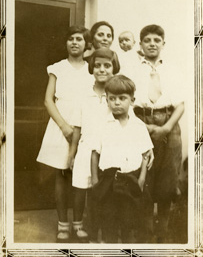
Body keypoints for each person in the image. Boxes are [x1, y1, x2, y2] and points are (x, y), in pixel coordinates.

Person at [36, 25, 93, 243]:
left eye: (79, 39)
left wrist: (81, 129)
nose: (75, 42)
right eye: (71, 39)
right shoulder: (57, 68)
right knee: (61, 175)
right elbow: (48, 100)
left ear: (86, 44)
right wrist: (64, 126)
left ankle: (78, 223)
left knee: (79, 175)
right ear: (66, 43)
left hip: (85, 126)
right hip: (61, 124)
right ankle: (62, 224)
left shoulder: (91, 69)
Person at [133, 24, 185, 243]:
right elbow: (127, 102)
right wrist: (142, 127)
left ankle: (162, 231)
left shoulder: (172, 69)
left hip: (169, 122)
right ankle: (145, 231)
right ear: (141, 44)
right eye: (147, 40)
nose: (152, 44)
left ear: (163, 44)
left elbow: (180, 105)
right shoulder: (133, 69)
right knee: (144, 175)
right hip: (140, 120)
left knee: (168, 176)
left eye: (156, 40)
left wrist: (165, 128)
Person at [91, 75, 154, 243]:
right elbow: (95, 153)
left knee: (129, 220)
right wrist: (96, 180)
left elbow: (145, 155)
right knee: (109, 219)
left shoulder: (139, 126)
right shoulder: (102, 125)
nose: (117, 102)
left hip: (131, 179)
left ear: (132, 100)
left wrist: (141, 179)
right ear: (107, 101)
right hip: (109, 180)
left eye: (122, 98)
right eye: (112, 99)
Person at [70, 48, 120, 243]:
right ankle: (81, 227)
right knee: (82, 188)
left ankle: (104, 231)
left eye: (107, 66)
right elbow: (77, 126)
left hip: (108, 151)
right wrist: (72, 153)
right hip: (86, 148)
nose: (101, 69)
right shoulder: (83, 95)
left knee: (104, 192)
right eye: (97, 65)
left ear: (113, 68)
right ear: (92, 68)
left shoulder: (116, 94)